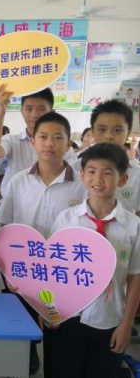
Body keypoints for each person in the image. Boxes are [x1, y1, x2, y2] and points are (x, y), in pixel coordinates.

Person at [0, 111, 87, 375]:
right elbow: (5, 229)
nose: (50, 143)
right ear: (33, 142)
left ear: (68, 144)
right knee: (20, 336)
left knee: (59, 340)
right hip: (23, 271)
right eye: (43, 137)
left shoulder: (81, 185)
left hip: (63, 274)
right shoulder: (18, 181)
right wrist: (7, 272)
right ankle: (28, 359)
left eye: (58, 138)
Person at [46, 143, 140, 378]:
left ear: (122, 179)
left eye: (107, 172)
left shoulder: (133, 226)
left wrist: (126, 325)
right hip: (67, 317)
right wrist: (48, 309)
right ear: (82, 175)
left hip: (109, 319)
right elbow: (52, 269)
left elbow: (135, 277)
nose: (98, 179)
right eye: (91, 171)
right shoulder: (67, 219)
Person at [0, 84, 76, 195]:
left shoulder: (62, 147)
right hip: (15, 202)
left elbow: (73, 182)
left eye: (41, 109)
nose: (34, 115)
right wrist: (1, 112)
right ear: (22, 111)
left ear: (52, 112)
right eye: (29, 109)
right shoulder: (13, 141)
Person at [74, 99, 140, 216]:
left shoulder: (137, 175)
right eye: (102, 130)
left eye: (117, 130)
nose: (109, 136)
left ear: (128, 133)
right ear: (93, 131)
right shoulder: (75, 168)